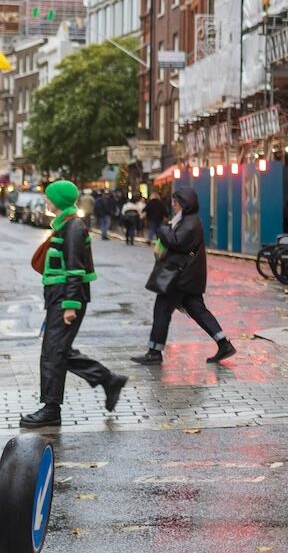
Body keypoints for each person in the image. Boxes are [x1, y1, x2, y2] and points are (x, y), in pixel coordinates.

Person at [21, 181, 126, 428]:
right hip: (58, 297)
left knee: (53, 353)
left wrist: (70, 305)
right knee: (58, 351)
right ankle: (108, 380)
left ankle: (51, 409)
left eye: (49, 198)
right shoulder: (64, 225)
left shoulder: (73, 228)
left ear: (59, 201)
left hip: (66, 298)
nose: (46, 202)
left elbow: (75, 269)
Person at [131, 188, 235, 365]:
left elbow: (177, 242)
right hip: (187, 275)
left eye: (175, 201)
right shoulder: (186, 220)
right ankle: (223, 343)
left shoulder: (190, 222)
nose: (173, 204)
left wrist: (163, 230)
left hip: (179, 277)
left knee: (162, 310)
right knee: (198, 311)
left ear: (184, 203)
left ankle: (154, 352)